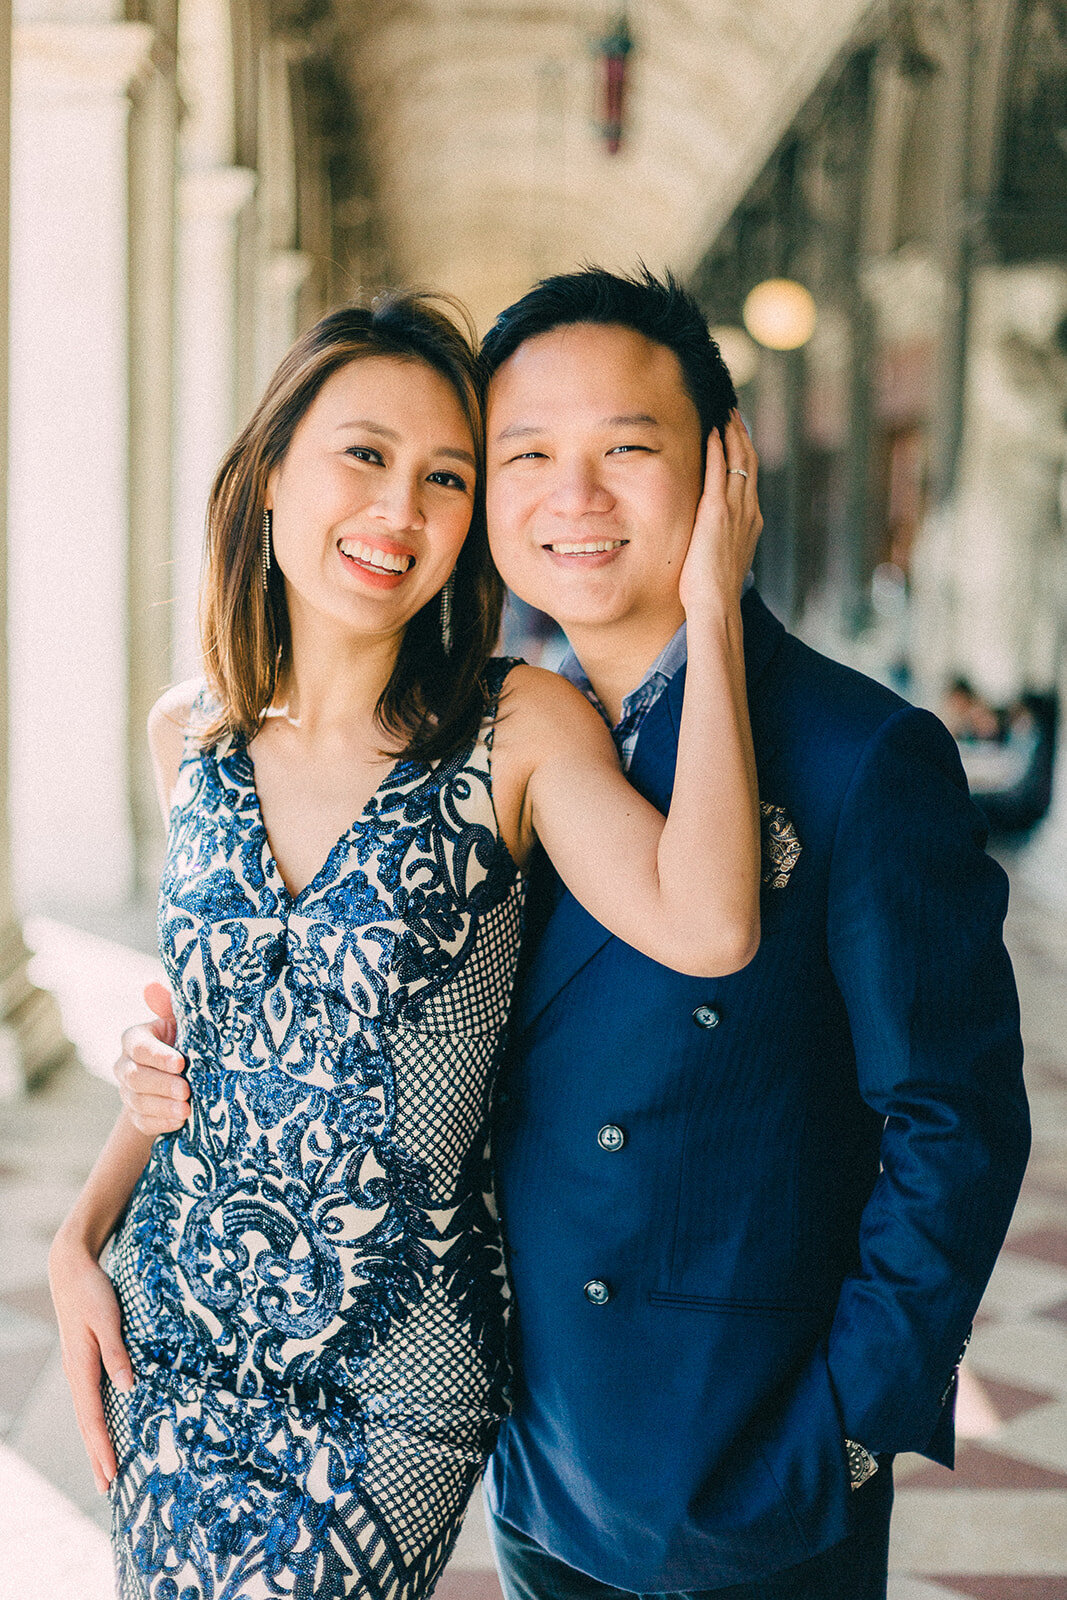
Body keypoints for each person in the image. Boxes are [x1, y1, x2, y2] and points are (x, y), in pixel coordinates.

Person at [108, 267, 1027, 1600]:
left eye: (627, 451)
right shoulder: (482, 735)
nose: (572, 496)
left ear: (723, 468)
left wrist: (853, 1428)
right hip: (534, 1447)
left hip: (749, 1462)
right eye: (525, 456)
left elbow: (957, 1119)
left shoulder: (857, 758)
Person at [48, 288, 764, 1600]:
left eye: (446, 477)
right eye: (365, 455)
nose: (401, 510)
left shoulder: (516, 729)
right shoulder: (188, 737)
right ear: (270, 475)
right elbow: (201, 1046)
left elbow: (712, 926)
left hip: (392, 1374)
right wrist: (73, 1235)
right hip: (173, 1325)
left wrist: (712, 602)